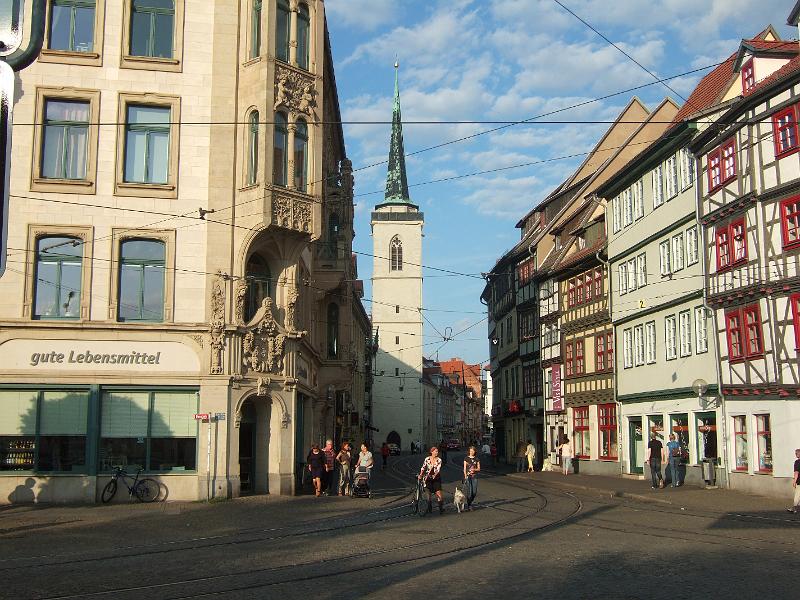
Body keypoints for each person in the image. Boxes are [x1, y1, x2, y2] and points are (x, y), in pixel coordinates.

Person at [419, 446, 444, 515]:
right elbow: (423, 467)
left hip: (436, 479)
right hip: (427, 478)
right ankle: (429, 507)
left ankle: (441, 508)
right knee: (428, 494)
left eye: (437, 451)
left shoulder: (439, 460)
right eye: (435, 451)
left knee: (439, 494)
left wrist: (434, 475)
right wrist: (420, 475)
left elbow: (438, 469)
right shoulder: (427, 459)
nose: (437, 452)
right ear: (431, 452)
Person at [463, 445, 481, 510]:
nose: (471, 452)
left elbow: (479, 469)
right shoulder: (466, 458)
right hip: (468, 476)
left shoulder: (477, 459)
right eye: (470, 451)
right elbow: (464, 468)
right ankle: (469, 504)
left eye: (473, 451)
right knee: (470, 492)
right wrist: (465, 476)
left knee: (474, 492)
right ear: (469, 451)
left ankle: (470, 501)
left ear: (475, 451)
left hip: (474, 477)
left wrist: (474, 470)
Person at [788, 448, 800, 513]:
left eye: (796, 453)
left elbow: (796, 472)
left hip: (799, 482)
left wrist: (794, 481)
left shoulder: (797, 462)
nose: (795, 454)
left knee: (797, 495)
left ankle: (794, 508)